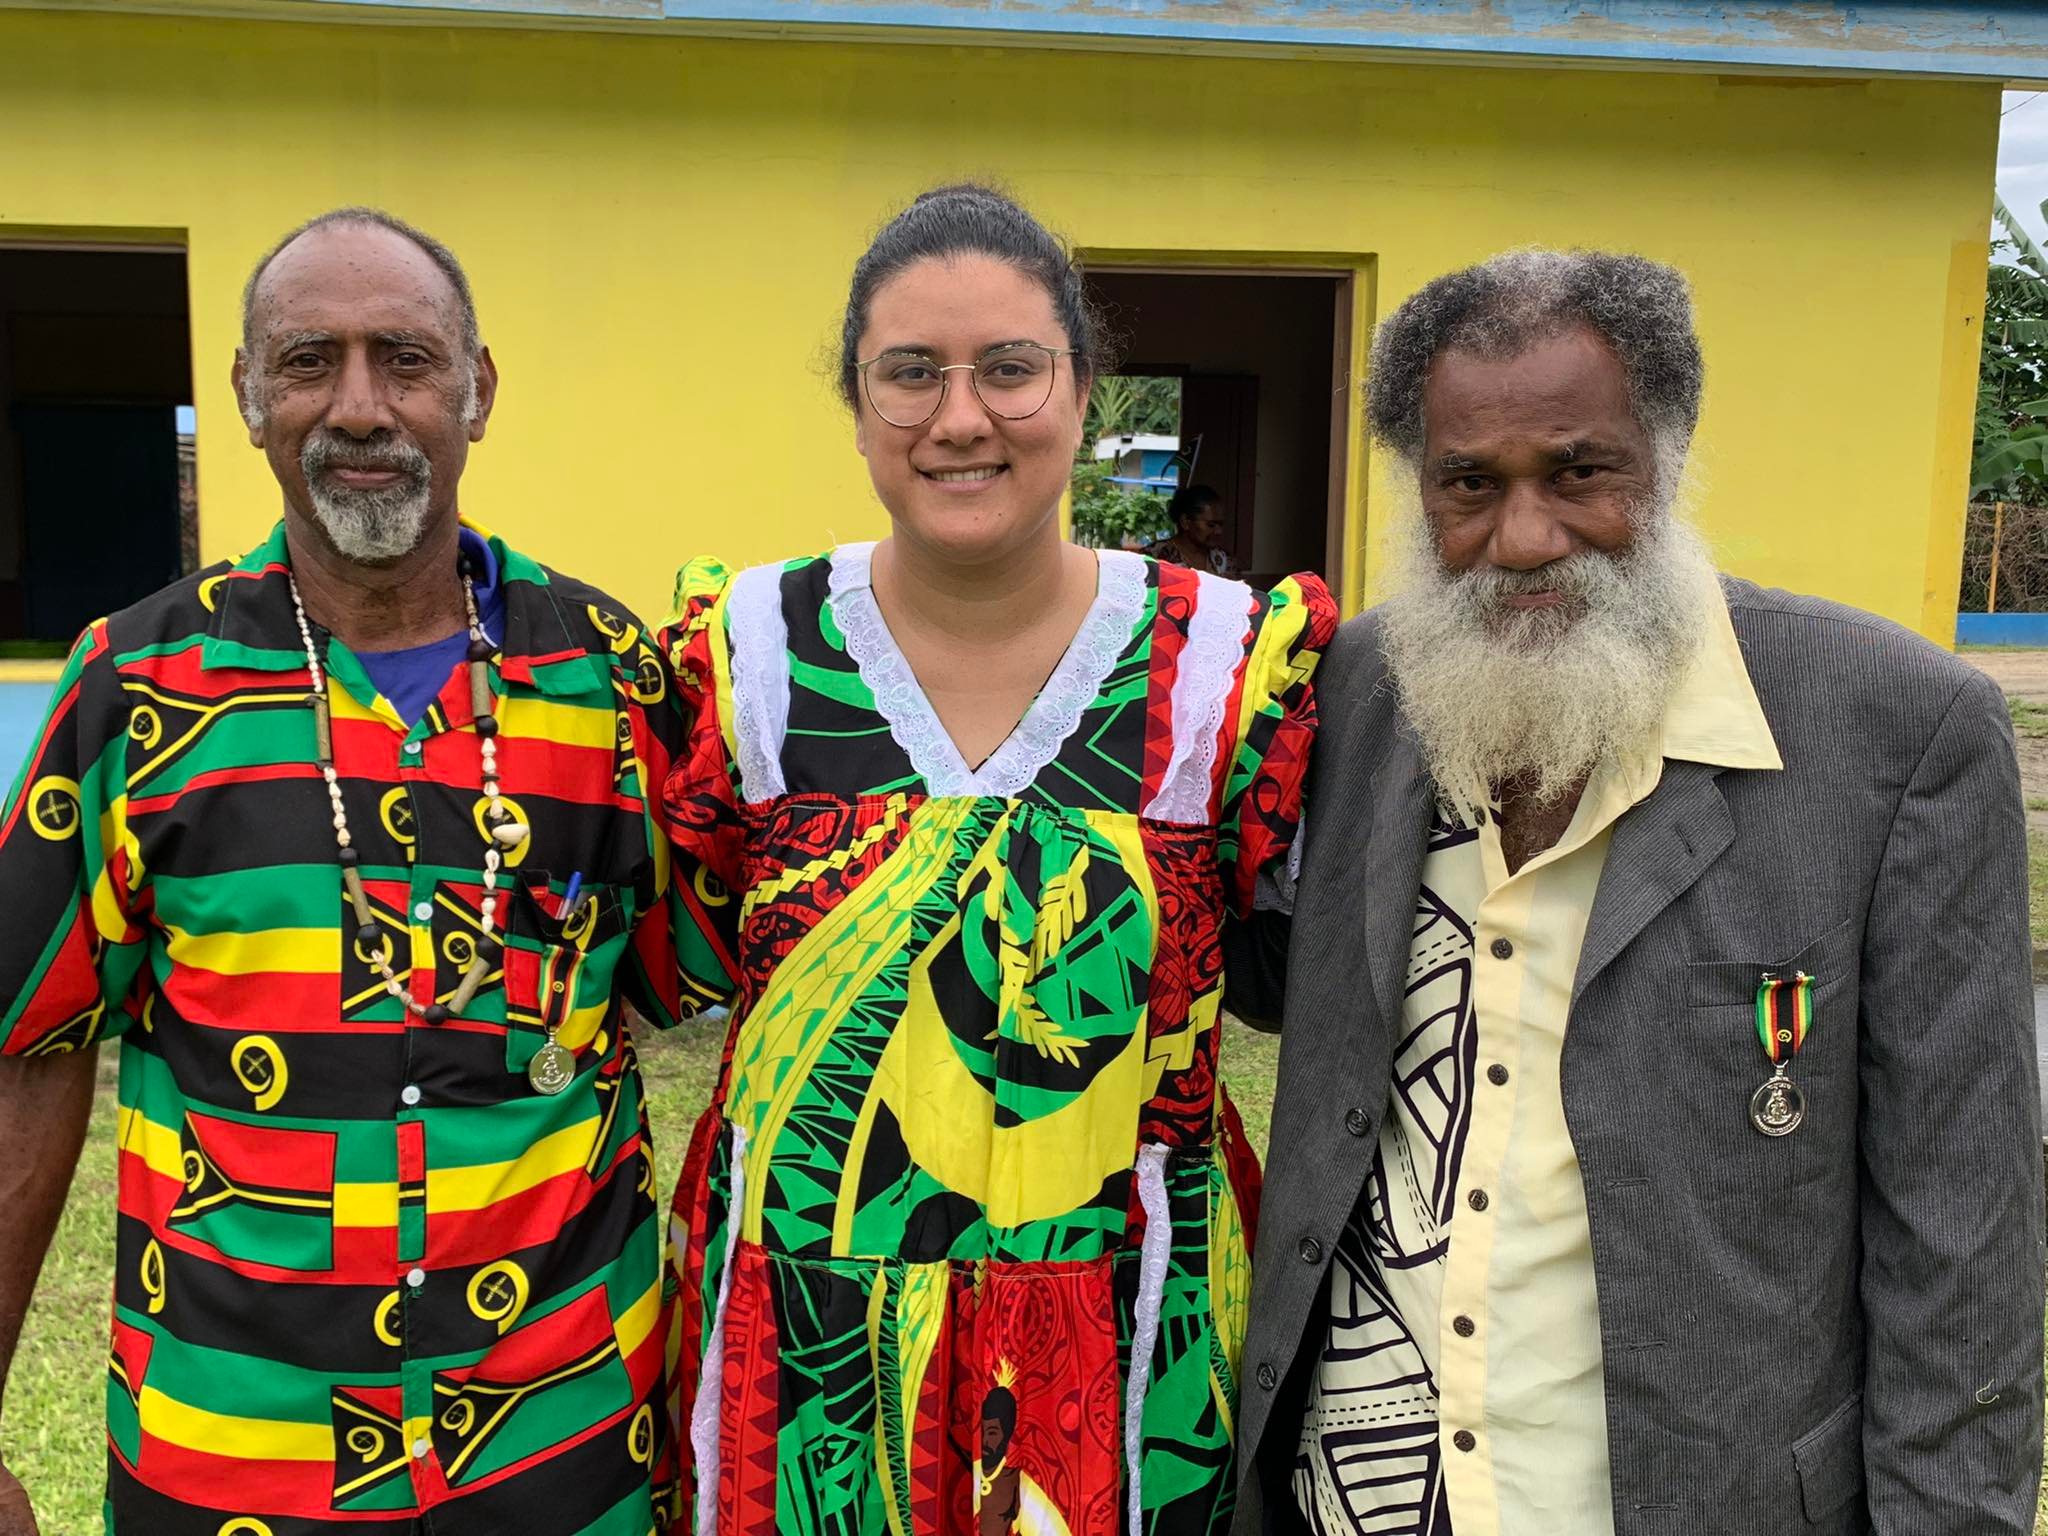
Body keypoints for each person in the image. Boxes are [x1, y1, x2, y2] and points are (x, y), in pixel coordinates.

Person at [1229, 249, 2044, 1535]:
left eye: (1578, 471)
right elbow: (1266, 976)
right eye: (1466, 484)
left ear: (1663, 457)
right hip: (1358, 1499)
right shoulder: (1359, 692)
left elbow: (1960, 1244)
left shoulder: (1894, 737)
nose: (1523, 536)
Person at [0, 208, 691, 1534]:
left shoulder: (611, 677)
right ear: (251, 395)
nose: (360, 406)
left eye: (408, 360)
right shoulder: (138, 689)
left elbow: (684, 982)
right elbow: (28, 1045)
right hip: (232, 1443)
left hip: (562, 1437)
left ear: (478, 390)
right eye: (311, 360)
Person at [658, 184, 1334, 1535]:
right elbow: (670, 962)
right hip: (809, 1350)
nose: (960, 418)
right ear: (857, 407)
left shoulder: (1223, 667)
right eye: (909, 375)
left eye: (1009, 369)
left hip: (1130, 1343)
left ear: (1084, 389)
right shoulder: (751, 659)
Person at [1145, 484, 1239, 578]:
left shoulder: (1224, 559)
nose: (1219, 531)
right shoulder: (1155, 556)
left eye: (1221, 525)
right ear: (1185, 522)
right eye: (1211, 525)